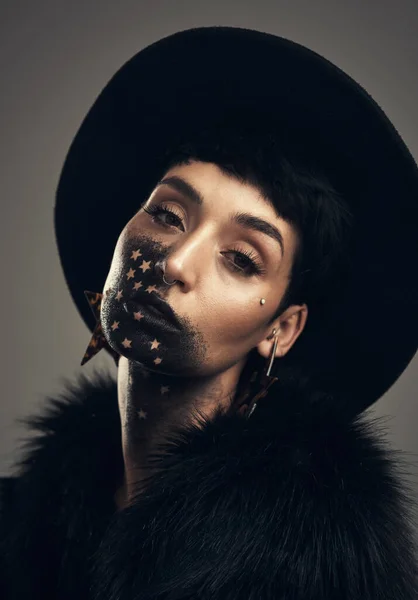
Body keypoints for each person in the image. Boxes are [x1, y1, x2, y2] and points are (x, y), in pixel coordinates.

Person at [1, 26, 418, 599]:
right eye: (168, 216)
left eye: (243, 259)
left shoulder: (312, 574)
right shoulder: (16, 525)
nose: (176, 262)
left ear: (281, 330)